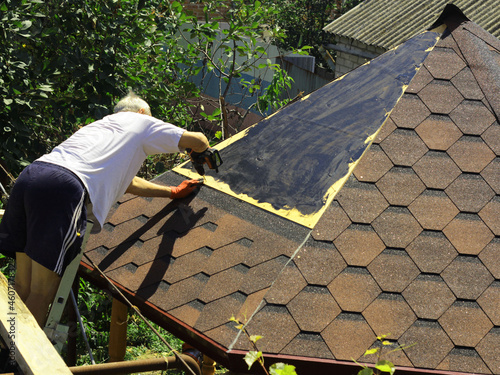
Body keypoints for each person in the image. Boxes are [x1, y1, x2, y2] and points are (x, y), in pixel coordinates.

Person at [0, 92, 209, 326]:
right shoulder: (141, 120)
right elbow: (199, 140)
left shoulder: (99, 127)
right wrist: (199, 154)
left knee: (22, 285)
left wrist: (171, 192)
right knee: (42, 292)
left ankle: (5, 348)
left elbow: (127, 183)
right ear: (142, 113)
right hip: (63, 188)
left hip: (32, 176)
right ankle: (14, 361)